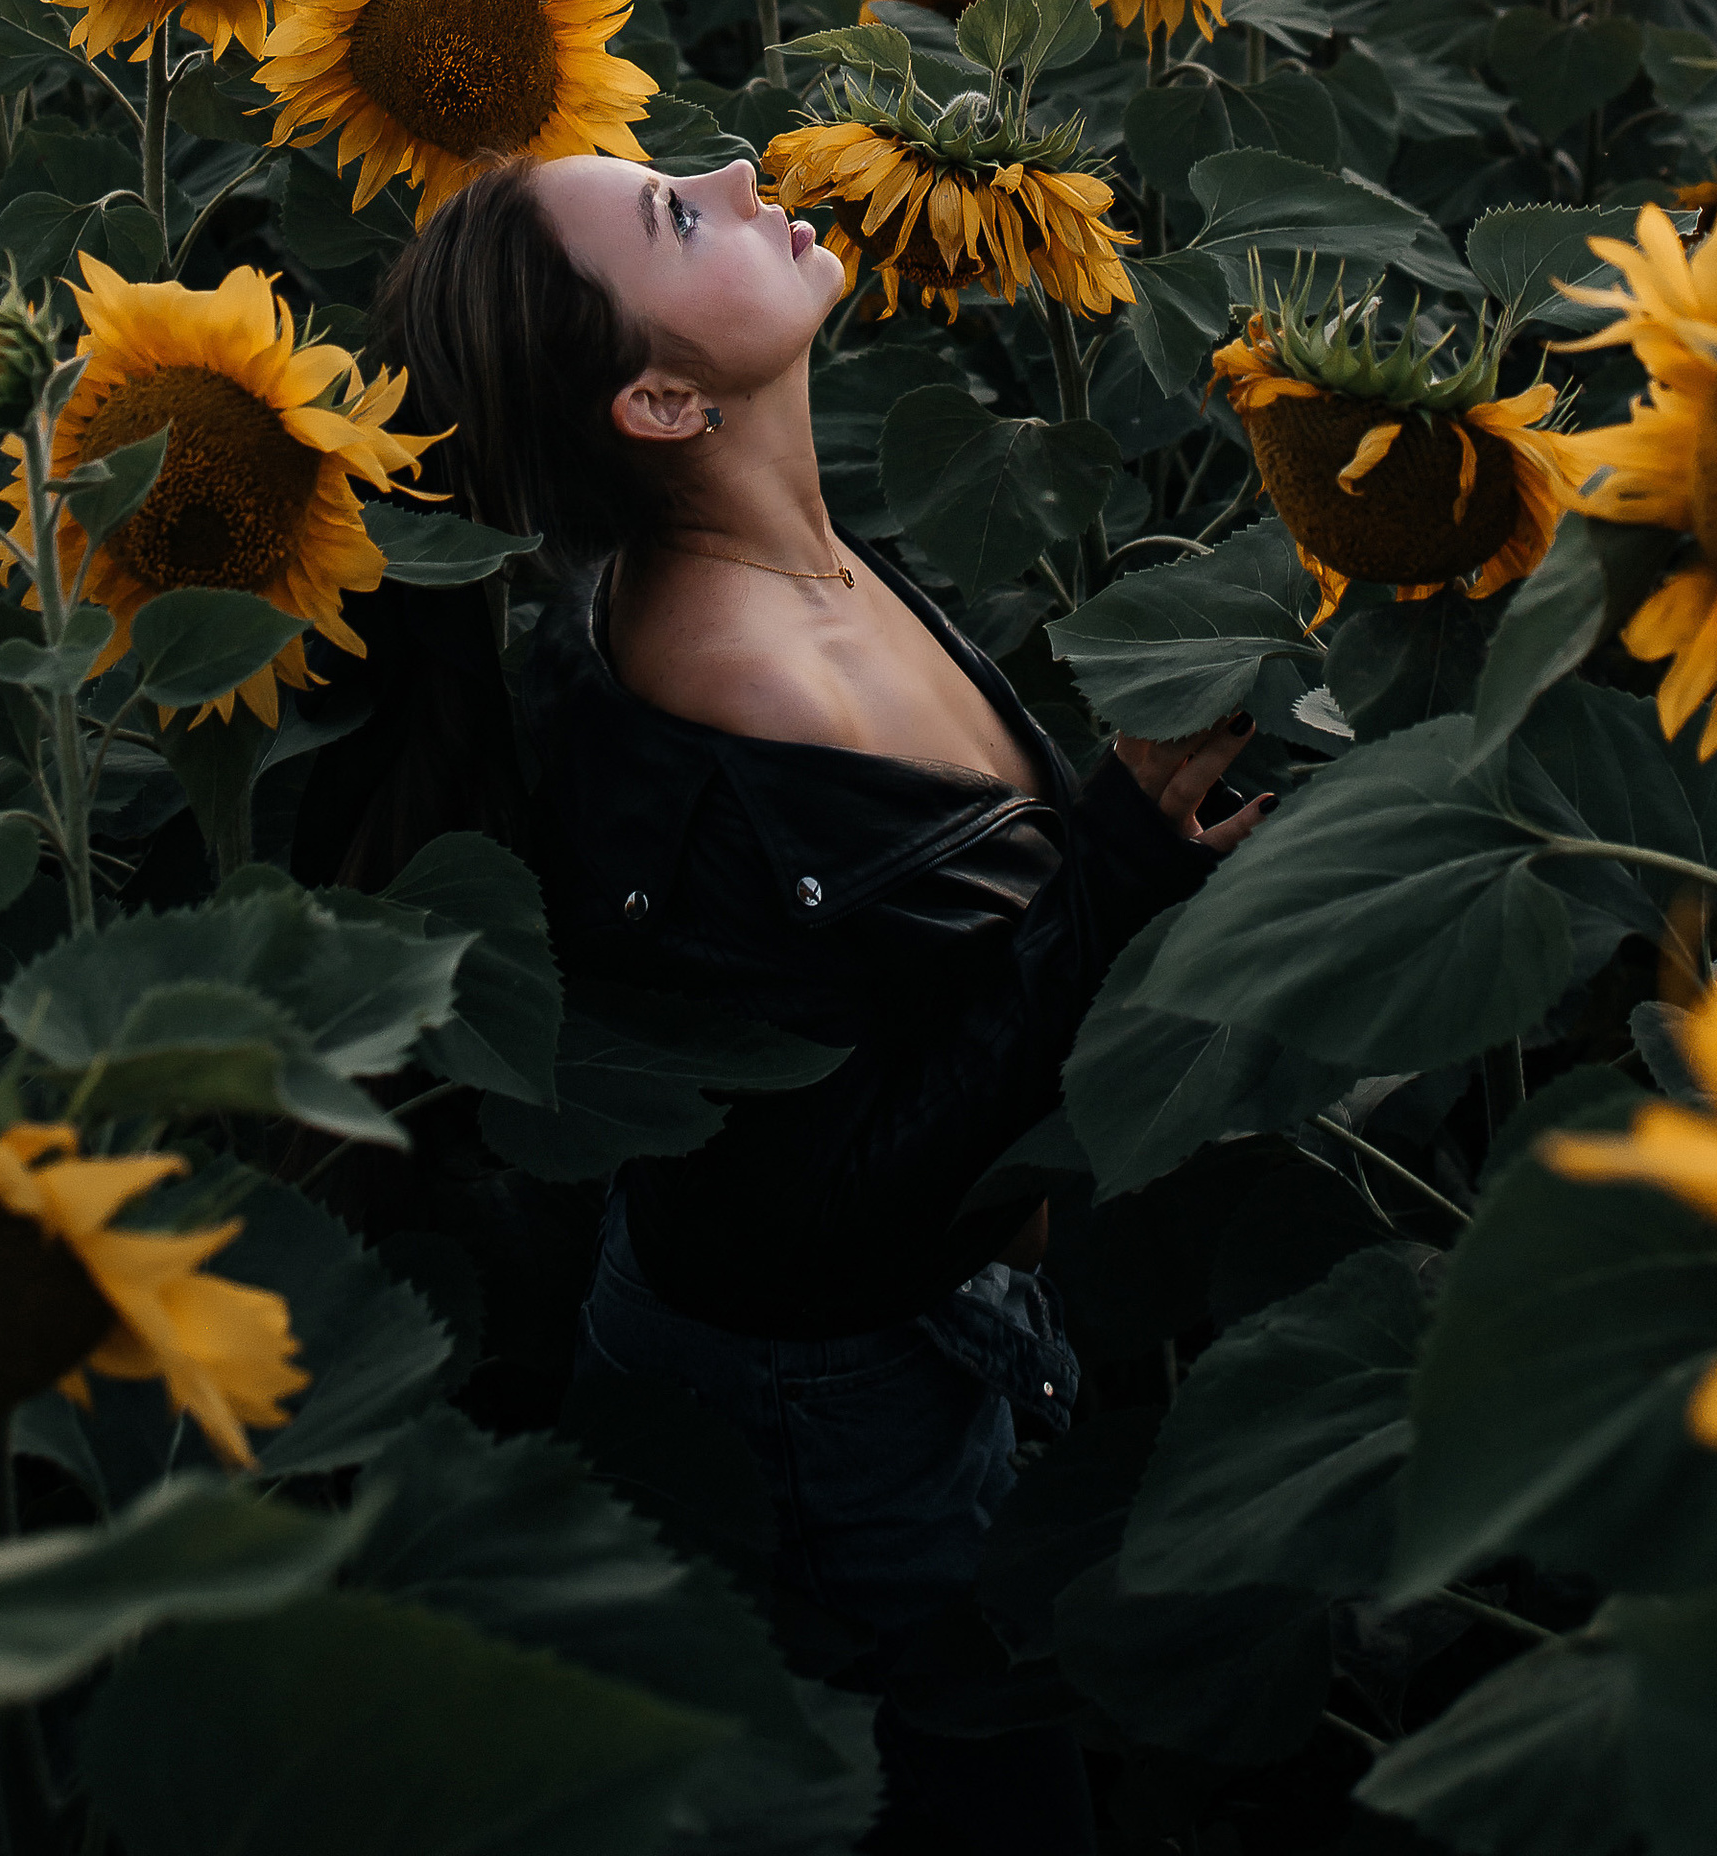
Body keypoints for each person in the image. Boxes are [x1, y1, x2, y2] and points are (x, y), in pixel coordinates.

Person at [372, 150, 1261, 1855]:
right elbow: (829, 1209)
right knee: (972, 1801)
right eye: (672, 216)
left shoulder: (785, 564)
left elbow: (903, 1002)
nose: (732, 164)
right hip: (833, 1392)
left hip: (882, 1349)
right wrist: (1123, 867)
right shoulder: (749, 692)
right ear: (653, 394)